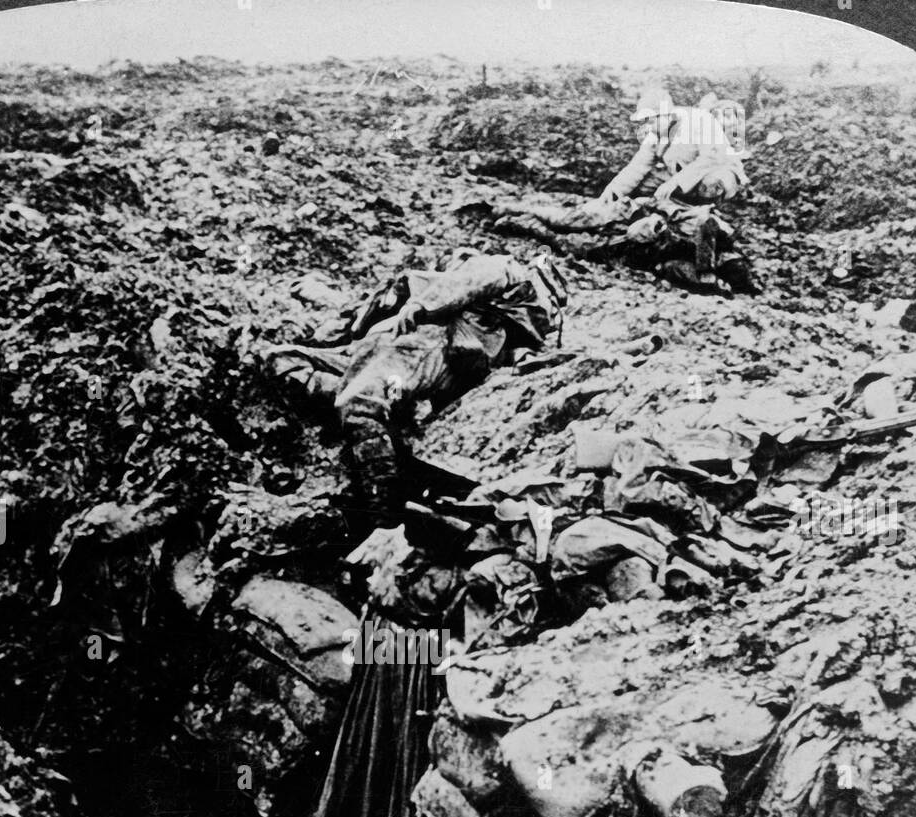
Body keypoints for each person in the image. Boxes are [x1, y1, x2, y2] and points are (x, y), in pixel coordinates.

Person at [256, 248, 568, 526]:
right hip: (381, 348)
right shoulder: (519, 319)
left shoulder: (509, 271)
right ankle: (384, 407)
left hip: (423, 342)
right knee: (282, 359)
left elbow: (471, 280)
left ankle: (383, 517)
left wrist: (422, 305)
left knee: (360, 404)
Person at [489, 88, 753, 292]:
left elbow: (710, 158)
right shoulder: (657, 136)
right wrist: (610, 193)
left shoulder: (699, 123)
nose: (646, 128)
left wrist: (673, 187)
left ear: (666, 115)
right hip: (664, 205)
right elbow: (636, 168)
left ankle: (522, 219)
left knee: (708, 185)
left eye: (650, 121)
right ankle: (520, 213)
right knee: (581, 219)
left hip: (717, 169)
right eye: (644, 122)